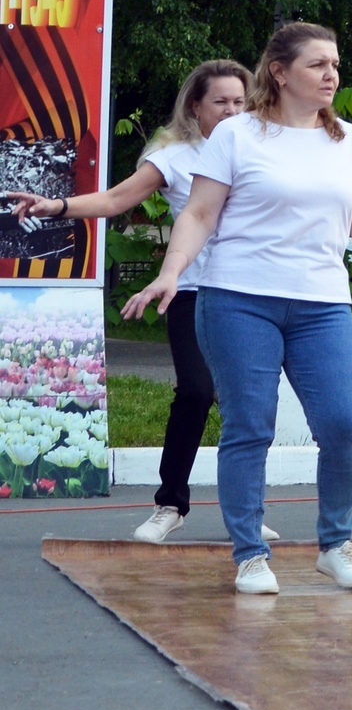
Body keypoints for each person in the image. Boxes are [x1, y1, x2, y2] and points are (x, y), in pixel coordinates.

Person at [129, 24, 352, 593]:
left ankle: (336, 544)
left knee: (345, 427)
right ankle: (249, 553)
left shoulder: (346, 140)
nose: (331, 76)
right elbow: (197, 215)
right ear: (279, 71)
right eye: (318, 64)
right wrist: (170, 274)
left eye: (335, 65)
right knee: (250, 426)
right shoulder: (237, 135)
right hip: (239, 299)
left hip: (322, 304)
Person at [7, 59, 259, 545]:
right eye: (220, 102)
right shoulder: (176, 156)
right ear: (195, 106)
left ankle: (245, 512)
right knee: (196, 391)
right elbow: (116, 200)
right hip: (186, 289)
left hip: (251, 292)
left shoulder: (263, 147)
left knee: (249, 404)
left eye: (239, 102)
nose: (232, 110)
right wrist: (57, 206)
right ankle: (170, 504)